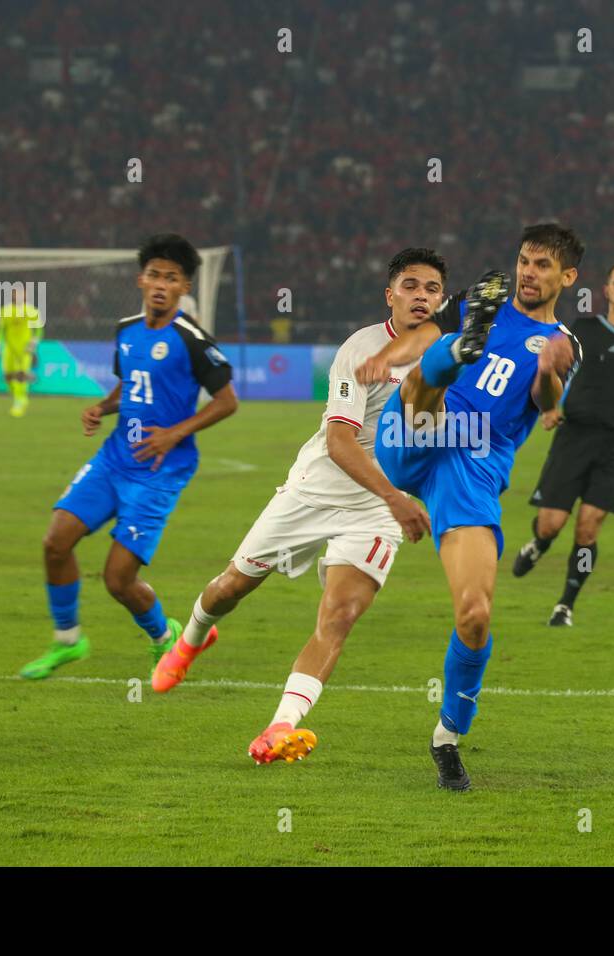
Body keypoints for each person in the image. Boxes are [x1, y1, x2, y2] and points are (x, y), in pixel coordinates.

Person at [153, 248, 445, 766]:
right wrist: (398, 499)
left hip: (375, 511)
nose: (421, 296)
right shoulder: (361, 348)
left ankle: (279, 727)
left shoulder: (443, 352)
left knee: (341, 615)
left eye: (432, 289)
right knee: (232, 586)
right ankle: (193, 638)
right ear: (390, 295)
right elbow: (339, 442)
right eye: (410, 285)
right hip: (317, 490)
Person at [357, 223, 583, 791]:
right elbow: (416, 340)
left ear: (568, 278)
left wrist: (552, 373)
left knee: (476, 613)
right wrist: (388, 355)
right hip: (419, 430)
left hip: (477, 461)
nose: (530, 273)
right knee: (425, 388)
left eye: (543, 266)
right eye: (525, 261)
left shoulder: (564, 343)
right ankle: (461, 350)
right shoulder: (474, 302)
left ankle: (448, 736)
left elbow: (546, 402)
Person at [20, 234, 238, 679]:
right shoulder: (126, 330)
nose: (161, 284)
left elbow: (226, 401)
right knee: (54, 541)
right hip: (114, 458)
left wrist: (172, 435)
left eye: (172, 278)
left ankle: (165, 638)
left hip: (160, 471)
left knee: (118, 579)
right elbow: (133, 385)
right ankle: (68, 641)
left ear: (183, 289)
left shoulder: (192, 339)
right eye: (155, 274)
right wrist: (103, 406)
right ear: (141, 279)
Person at [512, 262, 614, 626]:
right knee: (550, 525)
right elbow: (551, 372)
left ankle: (565, 604)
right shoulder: (582, 330)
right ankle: (539, 544)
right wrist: (550, 406)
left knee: (588, 528)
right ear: (606, 290)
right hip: (573, 438)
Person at [0, 287, 43, 417]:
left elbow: (39, 329)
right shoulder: (5, 310)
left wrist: (34, 343)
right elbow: (1, 329)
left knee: (20, 374)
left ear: (26, 296)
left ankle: (19, 401)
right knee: (8, 376)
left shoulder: (31, 311)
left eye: (22, 294)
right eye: (17, 294)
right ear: (13, 296)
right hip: (10, 348)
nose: (20, 297)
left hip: (25, 348)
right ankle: (19, 398)